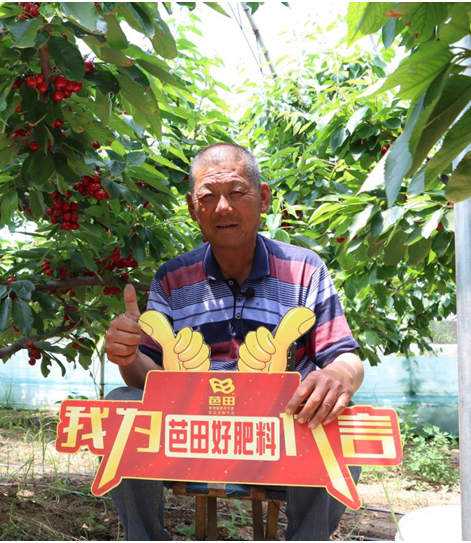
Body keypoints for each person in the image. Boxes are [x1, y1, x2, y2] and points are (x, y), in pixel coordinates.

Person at [103, 143, 364, 541]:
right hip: (191, 432)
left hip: (279, 435)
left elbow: (345, 356)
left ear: (263, 198)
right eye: (208, 197)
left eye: (237, 192)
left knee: (342, 415)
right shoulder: (172, 278)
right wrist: (128, 355)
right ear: (193, 208)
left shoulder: (304, 269)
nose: (223, 207)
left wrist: (340, 376)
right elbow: (148, 379)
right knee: (122, 402)